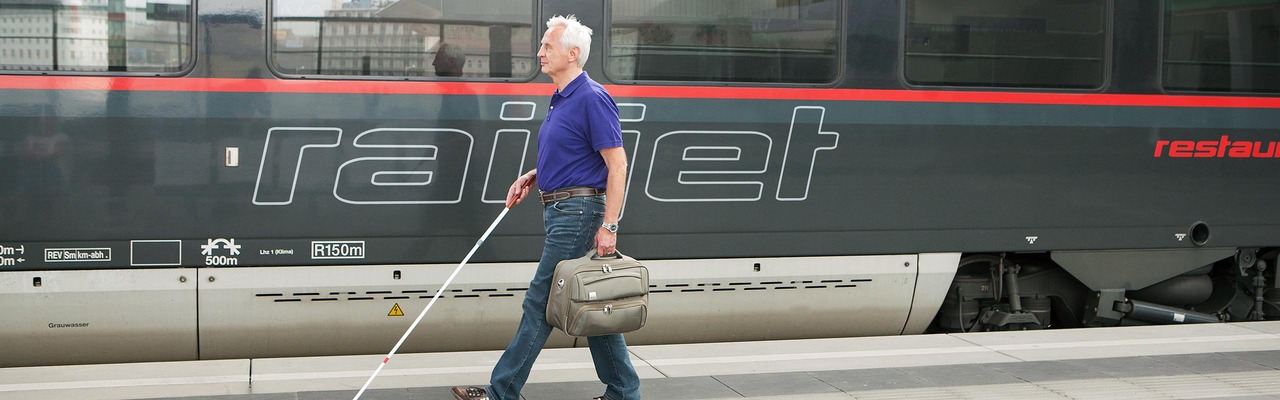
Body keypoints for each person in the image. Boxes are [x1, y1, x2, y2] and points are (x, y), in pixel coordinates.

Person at [451, 15, 639, 400]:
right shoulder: (562, 97)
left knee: (541, 299)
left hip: (579, 214)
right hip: (562, 210)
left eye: (547, 46)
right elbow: (577, 152)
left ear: (572, 53)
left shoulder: (591, 96)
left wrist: (611, 225)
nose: (539, 52)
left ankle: (502, 391)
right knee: (590, 299)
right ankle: (623, 391)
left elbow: (616, 163)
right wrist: (537, 174)